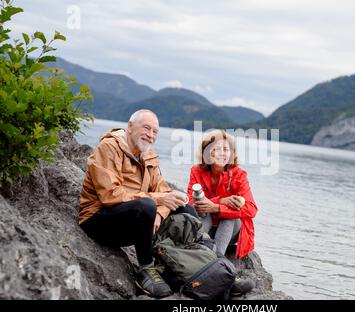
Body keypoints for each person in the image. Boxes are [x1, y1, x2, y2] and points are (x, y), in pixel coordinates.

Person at [78, 109, 196, 298]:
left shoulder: (149, 155)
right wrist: (155, 201)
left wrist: (159, 213)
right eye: (146, 128)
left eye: (155, 131)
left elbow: (165, 191)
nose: (151, 135)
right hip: (98, 220)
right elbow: (110, 195)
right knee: (146, 205)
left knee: (185, 207)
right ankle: (146, 269)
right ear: (130, 127)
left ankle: (202, 266)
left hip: (136, 221)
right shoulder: (109, 147)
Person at [187, 130, 258, 260]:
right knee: (203, 211)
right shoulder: (196, 171)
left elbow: (252, 209)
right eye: (217, 149)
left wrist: (218, 207)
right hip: (206, 226)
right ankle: (192, 250)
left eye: (226, 149)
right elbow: (191, 203)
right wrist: (220, 201)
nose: (222, 154)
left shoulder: (239, 175)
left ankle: (216, 259)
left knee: (229, 217)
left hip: (230, 231)